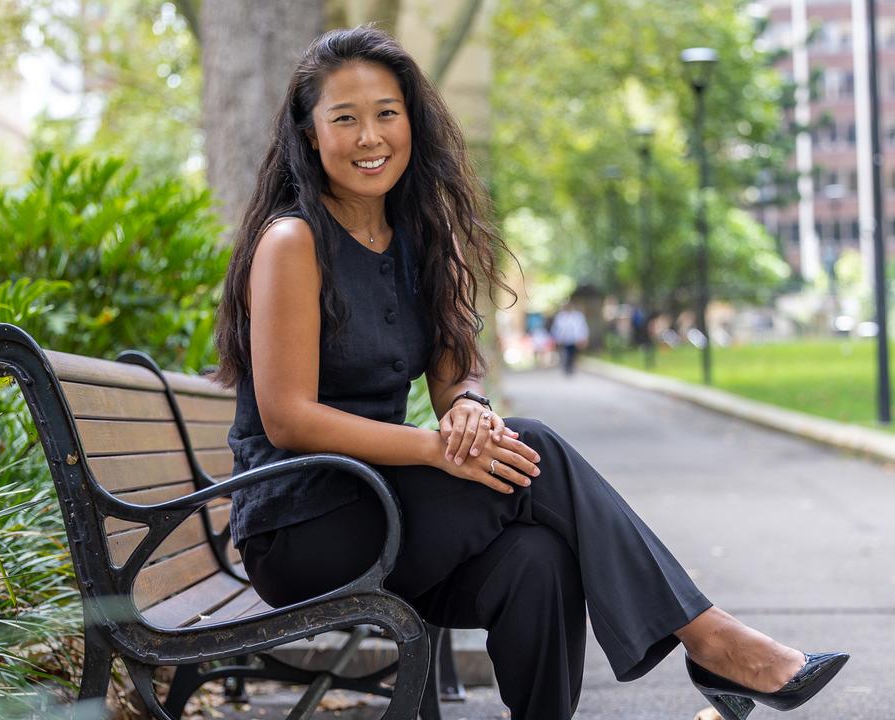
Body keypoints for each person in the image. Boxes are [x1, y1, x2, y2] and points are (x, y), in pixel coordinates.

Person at [212, 25, 847, 720]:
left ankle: (690, 654)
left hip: (382, 509)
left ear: (412, 122)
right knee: (534, 446)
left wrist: (468, 409)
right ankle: (712, 639)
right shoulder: (292, 241)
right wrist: (434, 448)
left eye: (386, 114)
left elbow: (457, 371)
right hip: (303, 529)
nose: (371, 137)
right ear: (309, 135)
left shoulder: (420, 237)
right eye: (345, 119)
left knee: (537, 558)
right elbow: (288, 418)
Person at [550, 299, 589, 376]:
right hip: (563, 340)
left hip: (574, 340)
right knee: (565, 353)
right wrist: (555, 339)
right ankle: (565, 367)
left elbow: (582, 328)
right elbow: (556, 328)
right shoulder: (560, 316)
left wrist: (583, 338)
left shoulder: (578, 316)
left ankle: (570, 367)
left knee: (572, 354)